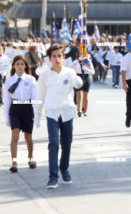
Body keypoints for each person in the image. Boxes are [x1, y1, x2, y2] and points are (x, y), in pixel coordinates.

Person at [35, 44, 83, 189]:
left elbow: (78, 84)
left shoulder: (69, 72)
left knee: (67, 144)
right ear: (50, 58)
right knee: (54, 143)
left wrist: (79, 80)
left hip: (67, 113)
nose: (57, 59)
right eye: (54, 56)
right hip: (52, 114)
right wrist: (37, 116)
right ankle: (53, 176)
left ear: (63, 57)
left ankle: (64, 168)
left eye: (59, 56)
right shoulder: (44, 76)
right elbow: (40, 96)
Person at [3, 55, 37, 173]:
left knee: (28, 137)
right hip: (15, 109)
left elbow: (35, 97)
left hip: (27, 108)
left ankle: (31, 157)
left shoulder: (30, 80)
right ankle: (14, 161)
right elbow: (7, 100)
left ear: (25, 66)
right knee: (15, 136)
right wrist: (6, 116)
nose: (20, 66)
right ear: (13, 66)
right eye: (17, 64)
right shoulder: (9, 81)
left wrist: (36, 113)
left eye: (22, 64)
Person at [72, 50, 95, 117]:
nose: (82, 55)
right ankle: (79, 110)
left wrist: (87, 68)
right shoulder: (75, 62)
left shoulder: (88, 61)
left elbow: (92, 72)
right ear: (78, 54)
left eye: (83, 53)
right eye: (80, 53)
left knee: (85, 95)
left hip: (86, 78)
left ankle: (85, 111)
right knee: (79, 94)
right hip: (78, 77)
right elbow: (71, 70)